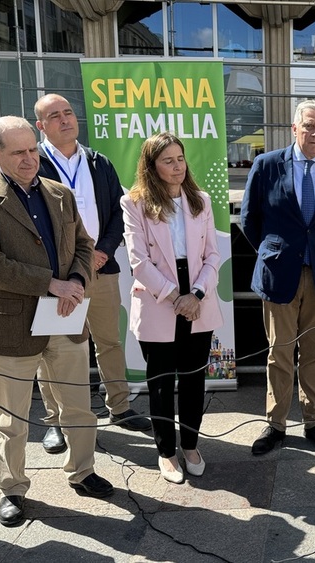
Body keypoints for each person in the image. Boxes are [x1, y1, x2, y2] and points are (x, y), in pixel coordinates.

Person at [0, 116, 114, 529]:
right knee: (12, 417)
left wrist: (78, 280)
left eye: (32, 149)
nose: (30, 159)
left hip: (64, 318)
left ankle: (82, 471)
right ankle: (12, 489)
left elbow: (84, 244)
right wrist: (51, 283)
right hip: (13, 324)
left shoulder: (59, 194)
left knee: (79, 407)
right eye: (18, 153)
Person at [34, 93, 151, 455]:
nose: (65, 120)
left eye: (68, 112)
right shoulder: (33, 163)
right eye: (54, 116)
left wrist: (102, 251)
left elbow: (119, 211)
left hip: (101, 269)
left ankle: (119, 406)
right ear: (41, 126)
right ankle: (56, 420)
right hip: (58, 277)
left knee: (109, 341)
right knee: (54, 350)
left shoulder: (98, 161)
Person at [240, 100, 315, 455]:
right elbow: (249, 219)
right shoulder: (267, 164)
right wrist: (275, 251)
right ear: (294, 128)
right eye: (308, 126)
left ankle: (313, 421)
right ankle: (275, 423)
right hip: (279, 274)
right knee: (280, 352)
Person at [121, 132, 223, 484]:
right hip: (157, 298)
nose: (177, 166)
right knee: (161, 382)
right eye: (167, 160)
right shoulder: (134, 203)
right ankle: (166, 452)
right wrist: (173, 295)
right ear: (151, 166)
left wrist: (194, 294)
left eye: (180, 158)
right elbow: (139, 262)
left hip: (197, 298)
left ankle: (191, 445)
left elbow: (212, 254)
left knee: (194, 380)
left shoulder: (201, 200)